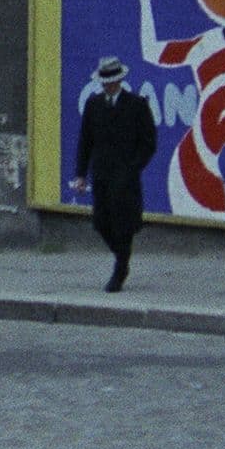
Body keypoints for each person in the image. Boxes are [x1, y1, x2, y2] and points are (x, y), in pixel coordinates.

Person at [69, 56, 158, 292]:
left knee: (124, 223)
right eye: (104, 82)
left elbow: (148, 142)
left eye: (112, 82)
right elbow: (85, 141)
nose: (107, 86)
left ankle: (120, 268)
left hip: (126, 175)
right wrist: (81, 174)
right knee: (101, 222)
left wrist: (133, 167)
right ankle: (121, 256)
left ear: (120, 81)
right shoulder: (94, 105)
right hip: (101, 173)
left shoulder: (136, 105)